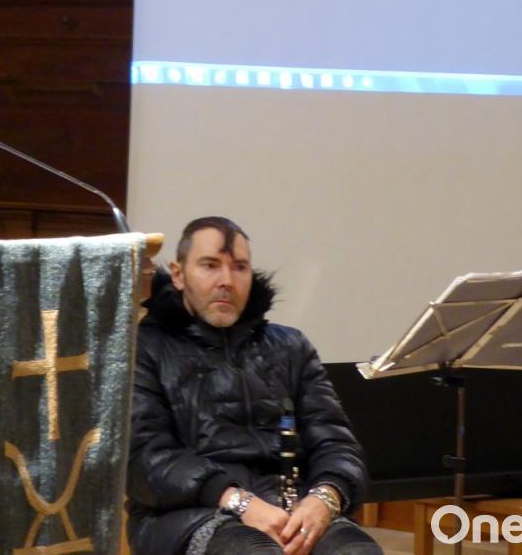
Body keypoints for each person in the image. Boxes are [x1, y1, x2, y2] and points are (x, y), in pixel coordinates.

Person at [126, 217, 382, 555]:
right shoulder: (143, 347)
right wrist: (240, 502)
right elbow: (144, 458)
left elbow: (337, 444)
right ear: (178, 274)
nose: (226, 281)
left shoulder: (290, 346)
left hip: (291, 508)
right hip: (188, 514)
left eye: (239, 268)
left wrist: (324, 498)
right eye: (210, 265)